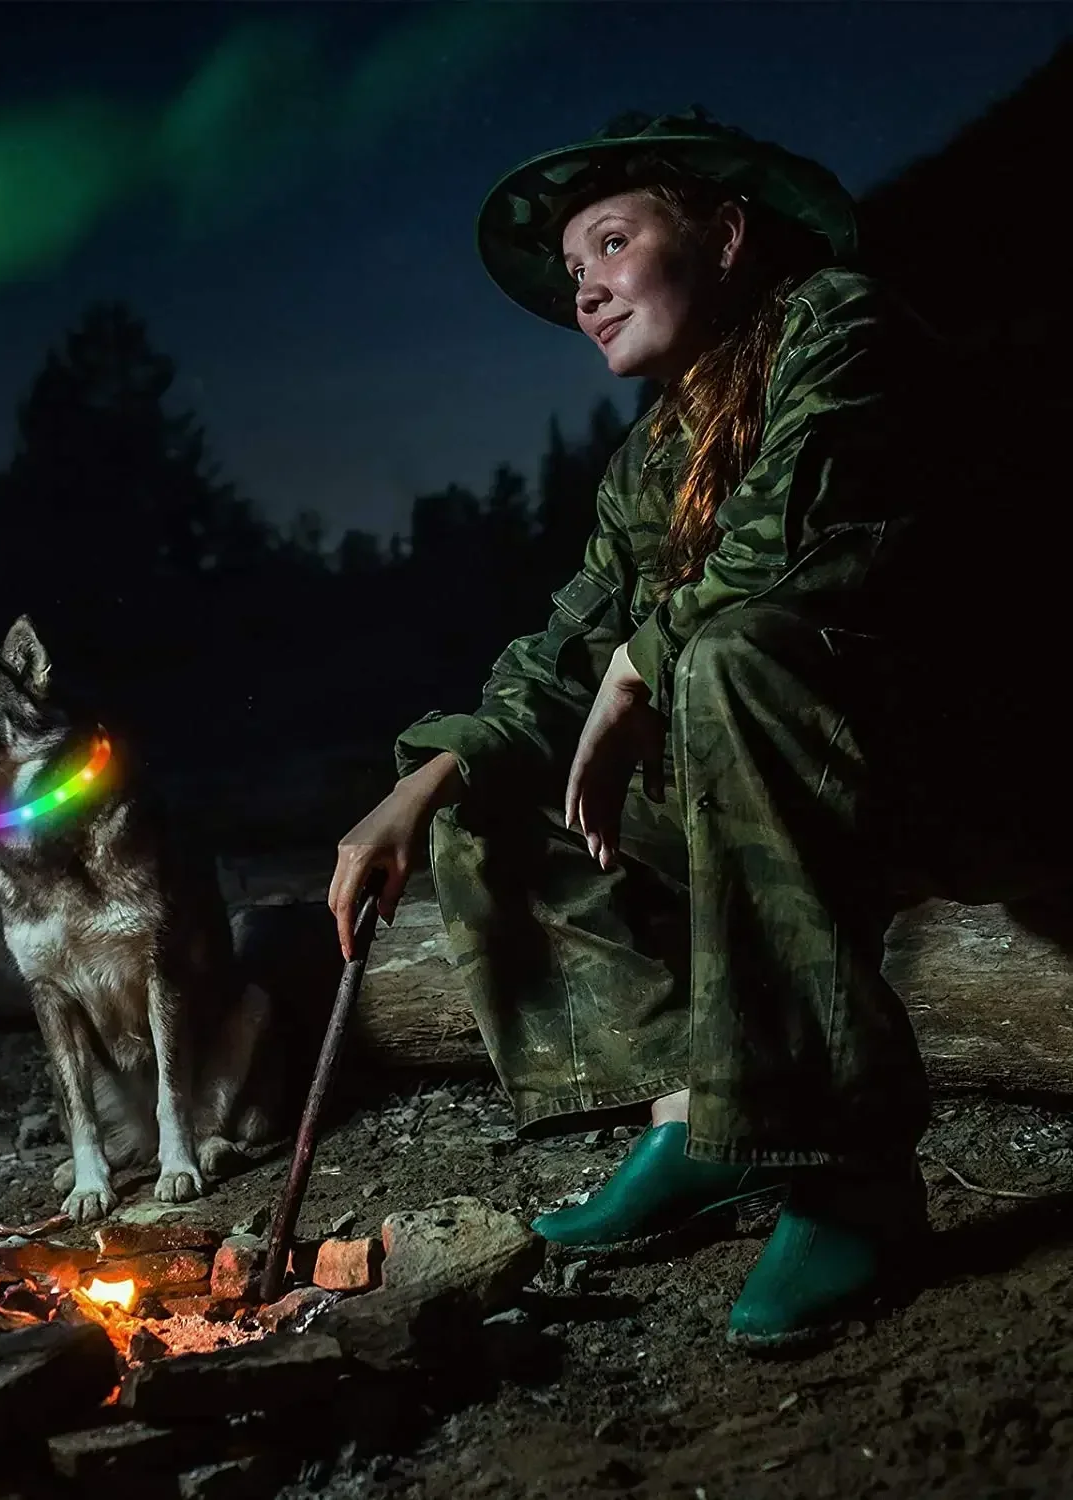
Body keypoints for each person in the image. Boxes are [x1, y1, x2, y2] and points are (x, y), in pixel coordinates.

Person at [328, 108, 999, 1351]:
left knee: (732, 654)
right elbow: (561, 649)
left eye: (613, 244)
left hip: (965, 757)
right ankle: (702, 1122)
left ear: (729, 234)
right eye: (573, 272)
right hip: (785, 769)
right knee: (492, 772)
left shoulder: (840, 325)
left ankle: (848, 1171)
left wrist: (647, 663)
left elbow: (796, 548)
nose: (585, 291)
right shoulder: (655, 459)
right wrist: (418, 786)